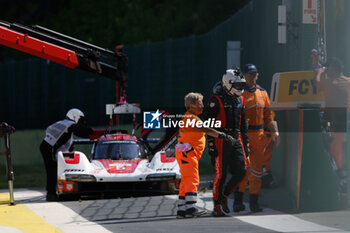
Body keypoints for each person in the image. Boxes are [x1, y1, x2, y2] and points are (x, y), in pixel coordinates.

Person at [175, 92, 236, 218]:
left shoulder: (189, 117)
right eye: (200, 103)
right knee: (192, 179)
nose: (202, 106)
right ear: (192, 105)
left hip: (185, 153)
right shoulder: (190, 118)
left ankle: (182, 210)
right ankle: (191, 208)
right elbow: (205, 129)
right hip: (188, 153)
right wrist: (222, 135)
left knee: (186, 180)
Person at [202, 68, 249, 217]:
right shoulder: (216, 100)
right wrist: (211, 145)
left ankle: (224, 195)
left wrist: (246, 145)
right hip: (220, 138)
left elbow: (243, 125)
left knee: (242, 169)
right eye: (238, 84)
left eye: (242, 84)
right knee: (220, 173)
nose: (241, 88)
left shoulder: (240, 100)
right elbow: (207, 125)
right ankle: (216, 205)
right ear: (228, 84)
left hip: (236, 137)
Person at [234, 64, 280, 213]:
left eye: (255, 74)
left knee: (257, 171)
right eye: (249, 74)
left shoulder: (263, 93)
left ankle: (254, 203)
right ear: (244, 76)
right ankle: (238, 201)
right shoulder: (239, 93)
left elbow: (268, 115)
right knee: (243, 169)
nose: (252, 77)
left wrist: (275, 131)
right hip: (243, 135)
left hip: (259, 135)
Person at [40, 108, 108, 201]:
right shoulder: (69, 124)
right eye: (80, 120)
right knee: (52, 170)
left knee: (55, 169)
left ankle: (56, 191)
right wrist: (102, 132)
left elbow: (71, 139)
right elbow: (84, 132)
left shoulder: (64, 125)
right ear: (75, 117)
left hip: (47, 147)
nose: (80, 123)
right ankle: (51, 194)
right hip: (49, 148)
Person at [315, 57, 350, 198]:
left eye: (327, 68)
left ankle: (342, 178)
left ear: (333, 69)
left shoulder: (330, 82)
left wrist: (318, 72)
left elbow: (317, 86)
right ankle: (343, 177)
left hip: (336, 118)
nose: (326, 70)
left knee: (333, 148)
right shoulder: (348, 81)